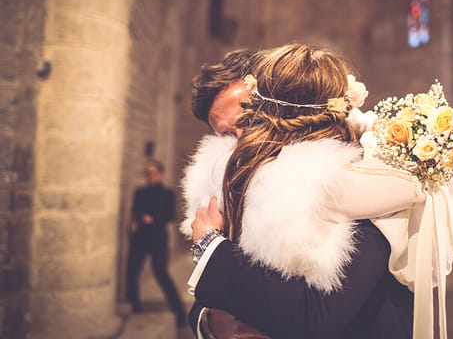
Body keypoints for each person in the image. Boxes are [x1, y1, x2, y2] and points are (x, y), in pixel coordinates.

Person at [182, 44, 427, 338]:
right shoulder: (241, 179)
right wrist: (208, 320)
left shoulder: (357, 179)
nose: (240, 141)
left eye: (247, 122)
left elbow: (318, 317)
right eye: (225, 135)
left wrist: (208, 244)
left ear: (280, 103)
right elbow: (222, 290)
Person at [125, 160, 186, 326]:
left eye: (152, 172)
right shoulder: (140, 192)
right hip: (141, 236)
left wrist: (152, 219)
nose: (149, 176)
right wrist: (138, 220)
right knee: (131, 272)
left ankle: (179, 312)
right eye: (147, 173)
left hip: (158, 236)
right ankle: (135, 308)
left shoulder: (167, 193)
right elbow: (134, 212)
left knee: (160, 272)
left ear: (160, 174)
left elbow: (170, 216)